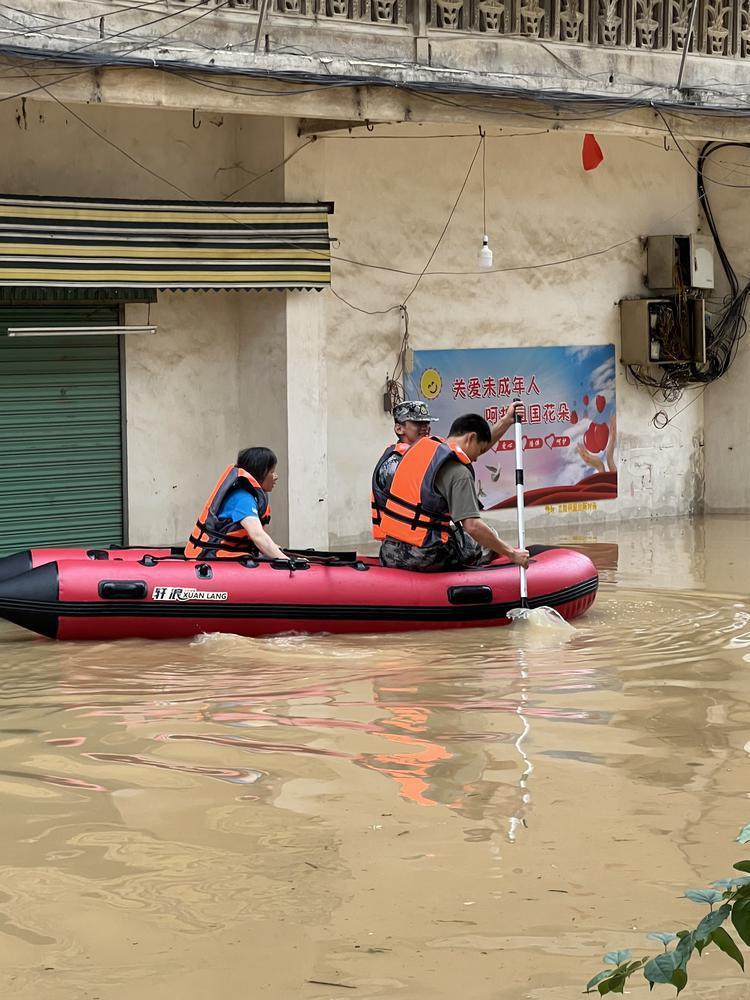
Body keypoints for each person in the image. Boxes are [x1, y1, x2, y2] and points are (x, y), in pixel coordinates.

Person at [377, 411, 530, 572]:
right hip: (422, 558)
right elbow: (473, 526)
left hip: (389, 552)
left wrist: (505, 421)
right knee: (487, 535)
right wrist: (512, 554)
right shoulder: (459, 472)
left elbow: (477, 444)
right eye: (480, 450)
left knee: (452, 531)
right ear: (471, 438)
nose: (477, 458)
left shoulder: (421, 450)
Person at [185, 446, 289, 561]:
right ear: (260, 473)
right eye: (272, 472)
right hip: (211, 558)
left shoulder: (247, 496)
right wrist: (287, 560)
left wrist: (272, 548)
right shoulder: (243, 499)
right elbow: (258, 536)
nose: (276, 476)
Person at [371, 400, 436, 539]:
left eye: (427, 423)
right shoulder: (395, 463)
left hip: (419, 538)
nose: (425, 428)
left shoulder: (419, 457)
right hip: (402, 544)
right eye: (418, 423)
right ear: (399, 429)